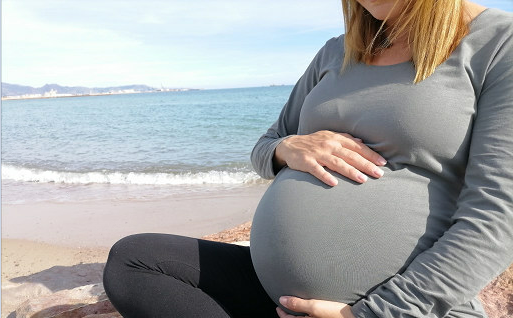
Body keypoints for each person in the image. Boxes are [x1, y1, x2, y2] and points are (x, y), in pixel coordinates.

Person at [103, 0, 513, 317]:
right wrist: (288, 148)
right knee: (134, 262)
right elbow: (266, 145)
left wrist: (374, 313)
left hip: (398, 303)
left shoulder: (497, 42)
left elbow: (498, 216)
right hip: (281, 294)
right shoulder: (337, 51)